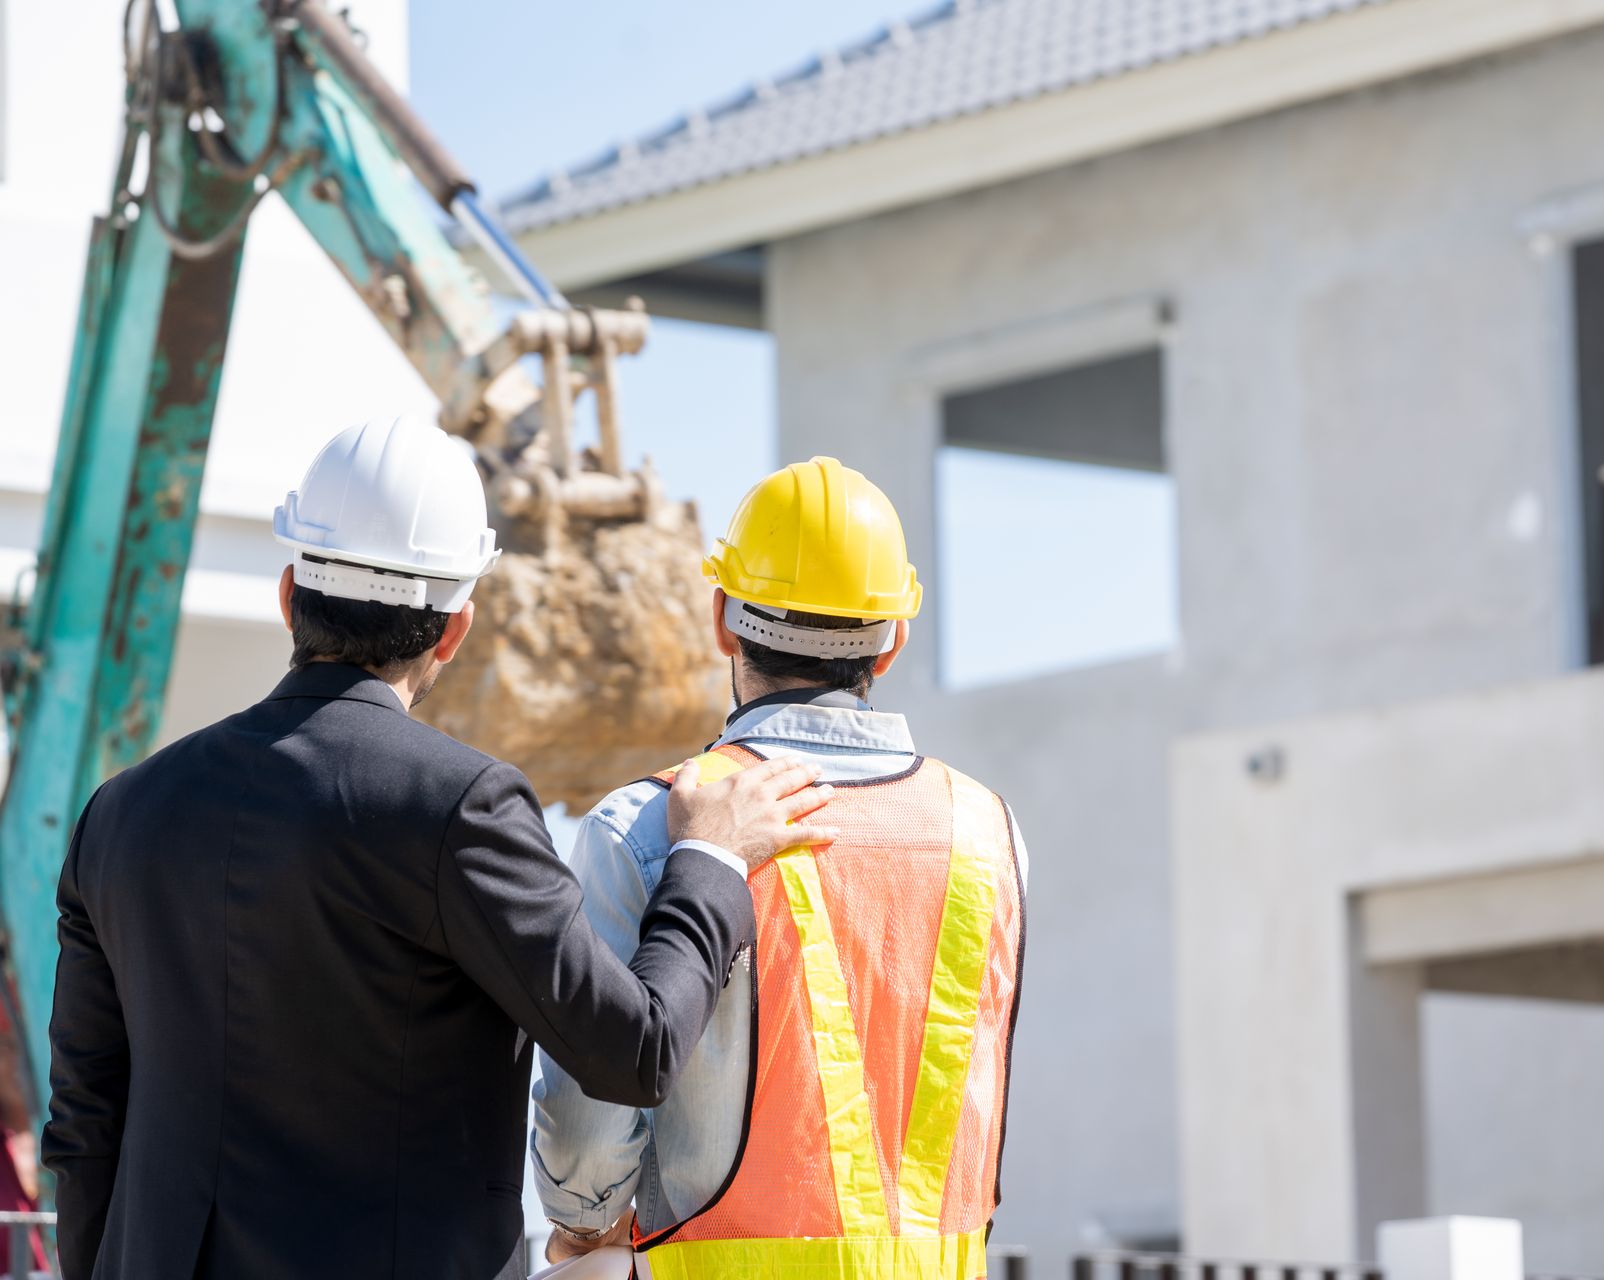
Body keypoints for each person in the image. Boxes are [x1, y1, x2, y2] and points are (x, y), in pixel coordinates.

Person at [42, 418, 835, 1280]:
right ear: (454, 630)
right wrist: (710, 860)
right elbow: (632, 1051)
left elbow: (84, 1128)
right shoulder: (460, 805)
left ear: (289, 593)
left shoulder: (119, 813)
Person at [532, 456, 1026, 1280]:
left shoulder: (649, 822)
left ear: (723, 620)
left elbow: (589, 1134)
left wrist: (584, 1223)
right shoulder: (988, 830)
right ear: (893, 641)